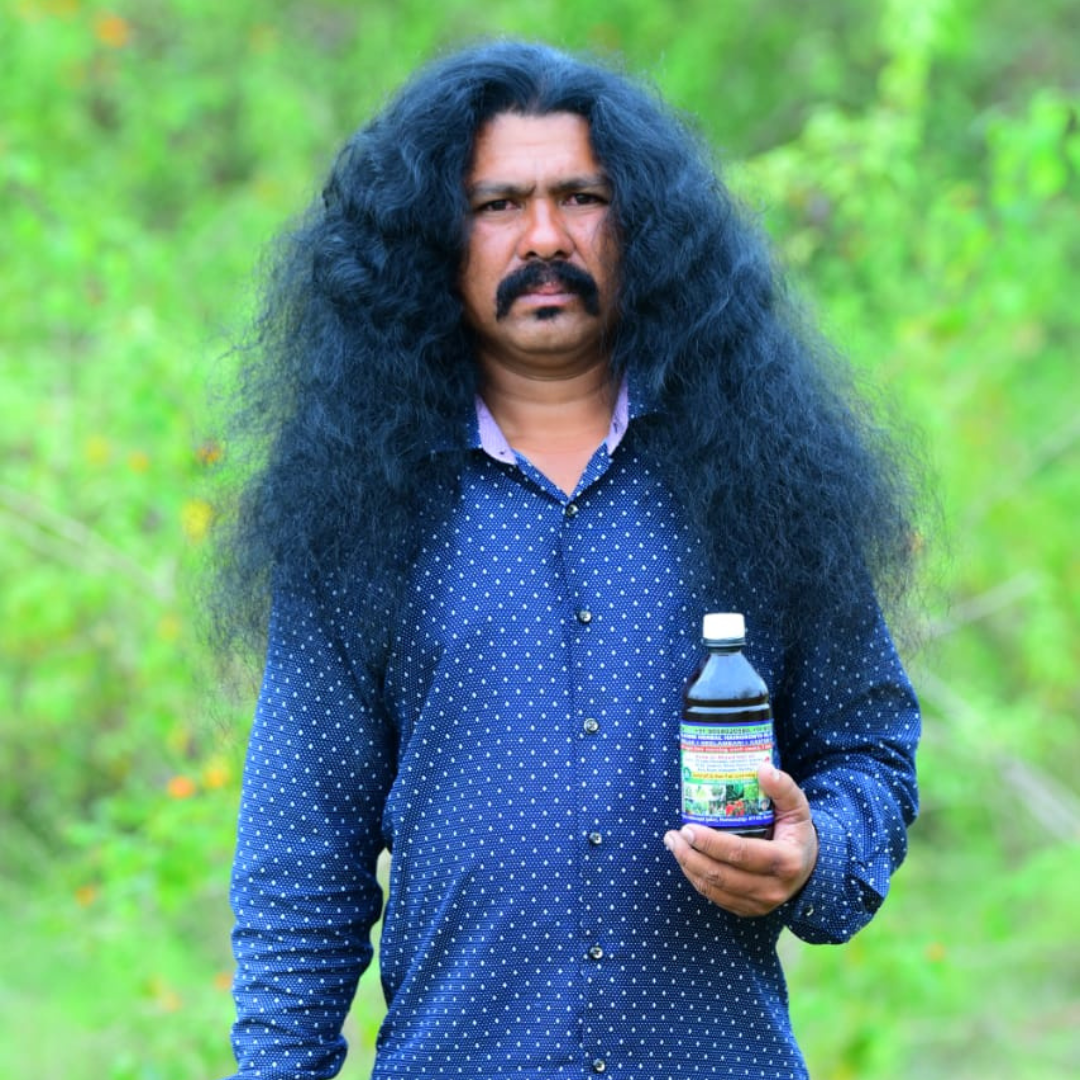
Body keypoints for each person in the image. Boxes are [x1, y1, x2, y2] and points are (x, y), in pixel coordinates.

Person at [213, 39, 924, 1080]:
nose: (544, 236)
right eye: (497, 205)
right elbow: (299, 861)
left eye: (582, 197)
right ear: (432, 239)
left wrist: (814, 858)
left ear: (642, 225)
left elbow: (870, 745)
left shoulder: (768, 482)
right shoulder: (357, 510)